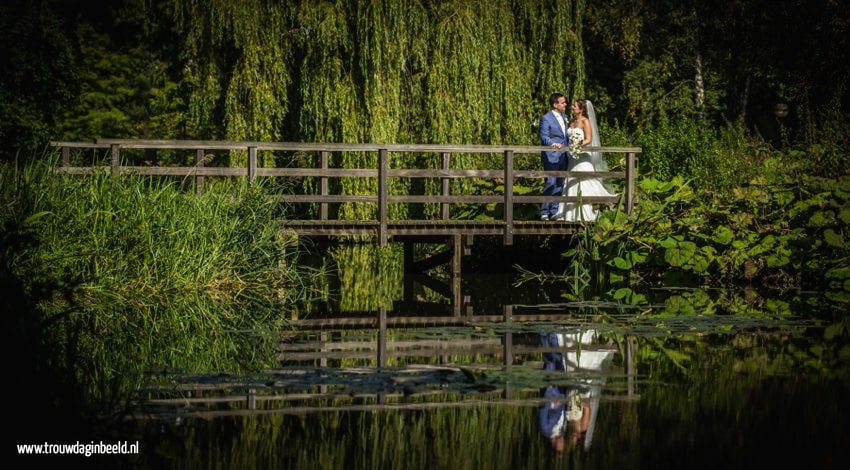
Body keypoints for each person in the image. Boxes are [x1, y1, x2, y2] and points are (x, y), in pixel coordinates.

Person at [554, 100, 616, 221]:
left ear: (581, 109)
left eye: (574, 106)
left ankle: (587, 213)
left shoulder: (585, 121)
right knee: (571, 180)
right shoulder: (571, 122)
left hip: (582, 155)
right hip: (572, 156)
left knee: (585, 181)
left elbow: (588, 139)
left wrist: (578, 146)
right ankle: (570, 214)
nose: (572, 107)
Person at [538, 93, 570, 220]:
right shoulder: (546, 118)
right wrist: (552, 144)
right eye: (562, 102)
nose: (565, 104)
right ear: (555, 104)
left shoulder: (565, 117)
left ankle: (555, 210)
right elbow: (544, 136)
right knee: (550, 182)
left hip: (564, 155)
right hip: (551, 155)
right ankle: (544, 211)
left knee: (560, 183)